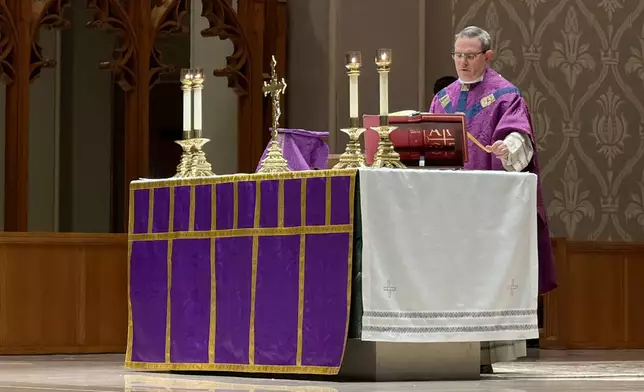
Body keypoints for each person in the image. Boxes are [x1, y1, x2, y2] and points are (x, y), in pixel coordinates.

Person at [428, 26, 558, 374]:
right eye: (458, 55)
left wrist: (508, 147)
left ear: (488, 56)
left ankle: (483, 353)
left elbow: (519, 138)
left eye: (470, 55)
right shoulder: (443, 99)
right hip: (448, 208)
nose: (463, 62)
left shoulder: (505, 95)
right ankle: (446, 348)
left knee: (482, 276)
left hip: (486, 211)